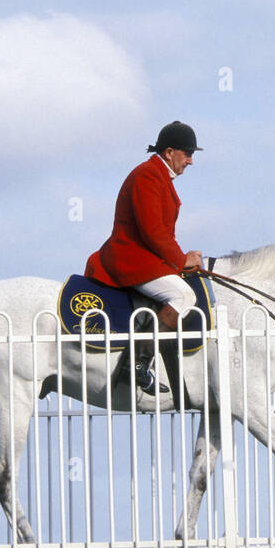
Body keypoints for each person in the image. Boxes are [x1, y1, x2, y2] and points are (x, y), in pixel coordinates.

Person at [85, 121, 204, 395]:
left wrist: (184, 257)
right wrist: (180, 259)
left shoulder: (159, 176)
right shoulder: (148, 175)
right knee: (184, 297)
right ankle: (137, 365)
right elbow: (152, 231)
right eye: (187, 153)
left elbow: (161, 233)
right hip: (130, 259)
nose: (190, 160)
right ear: (169, 151)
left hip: (145, 257)